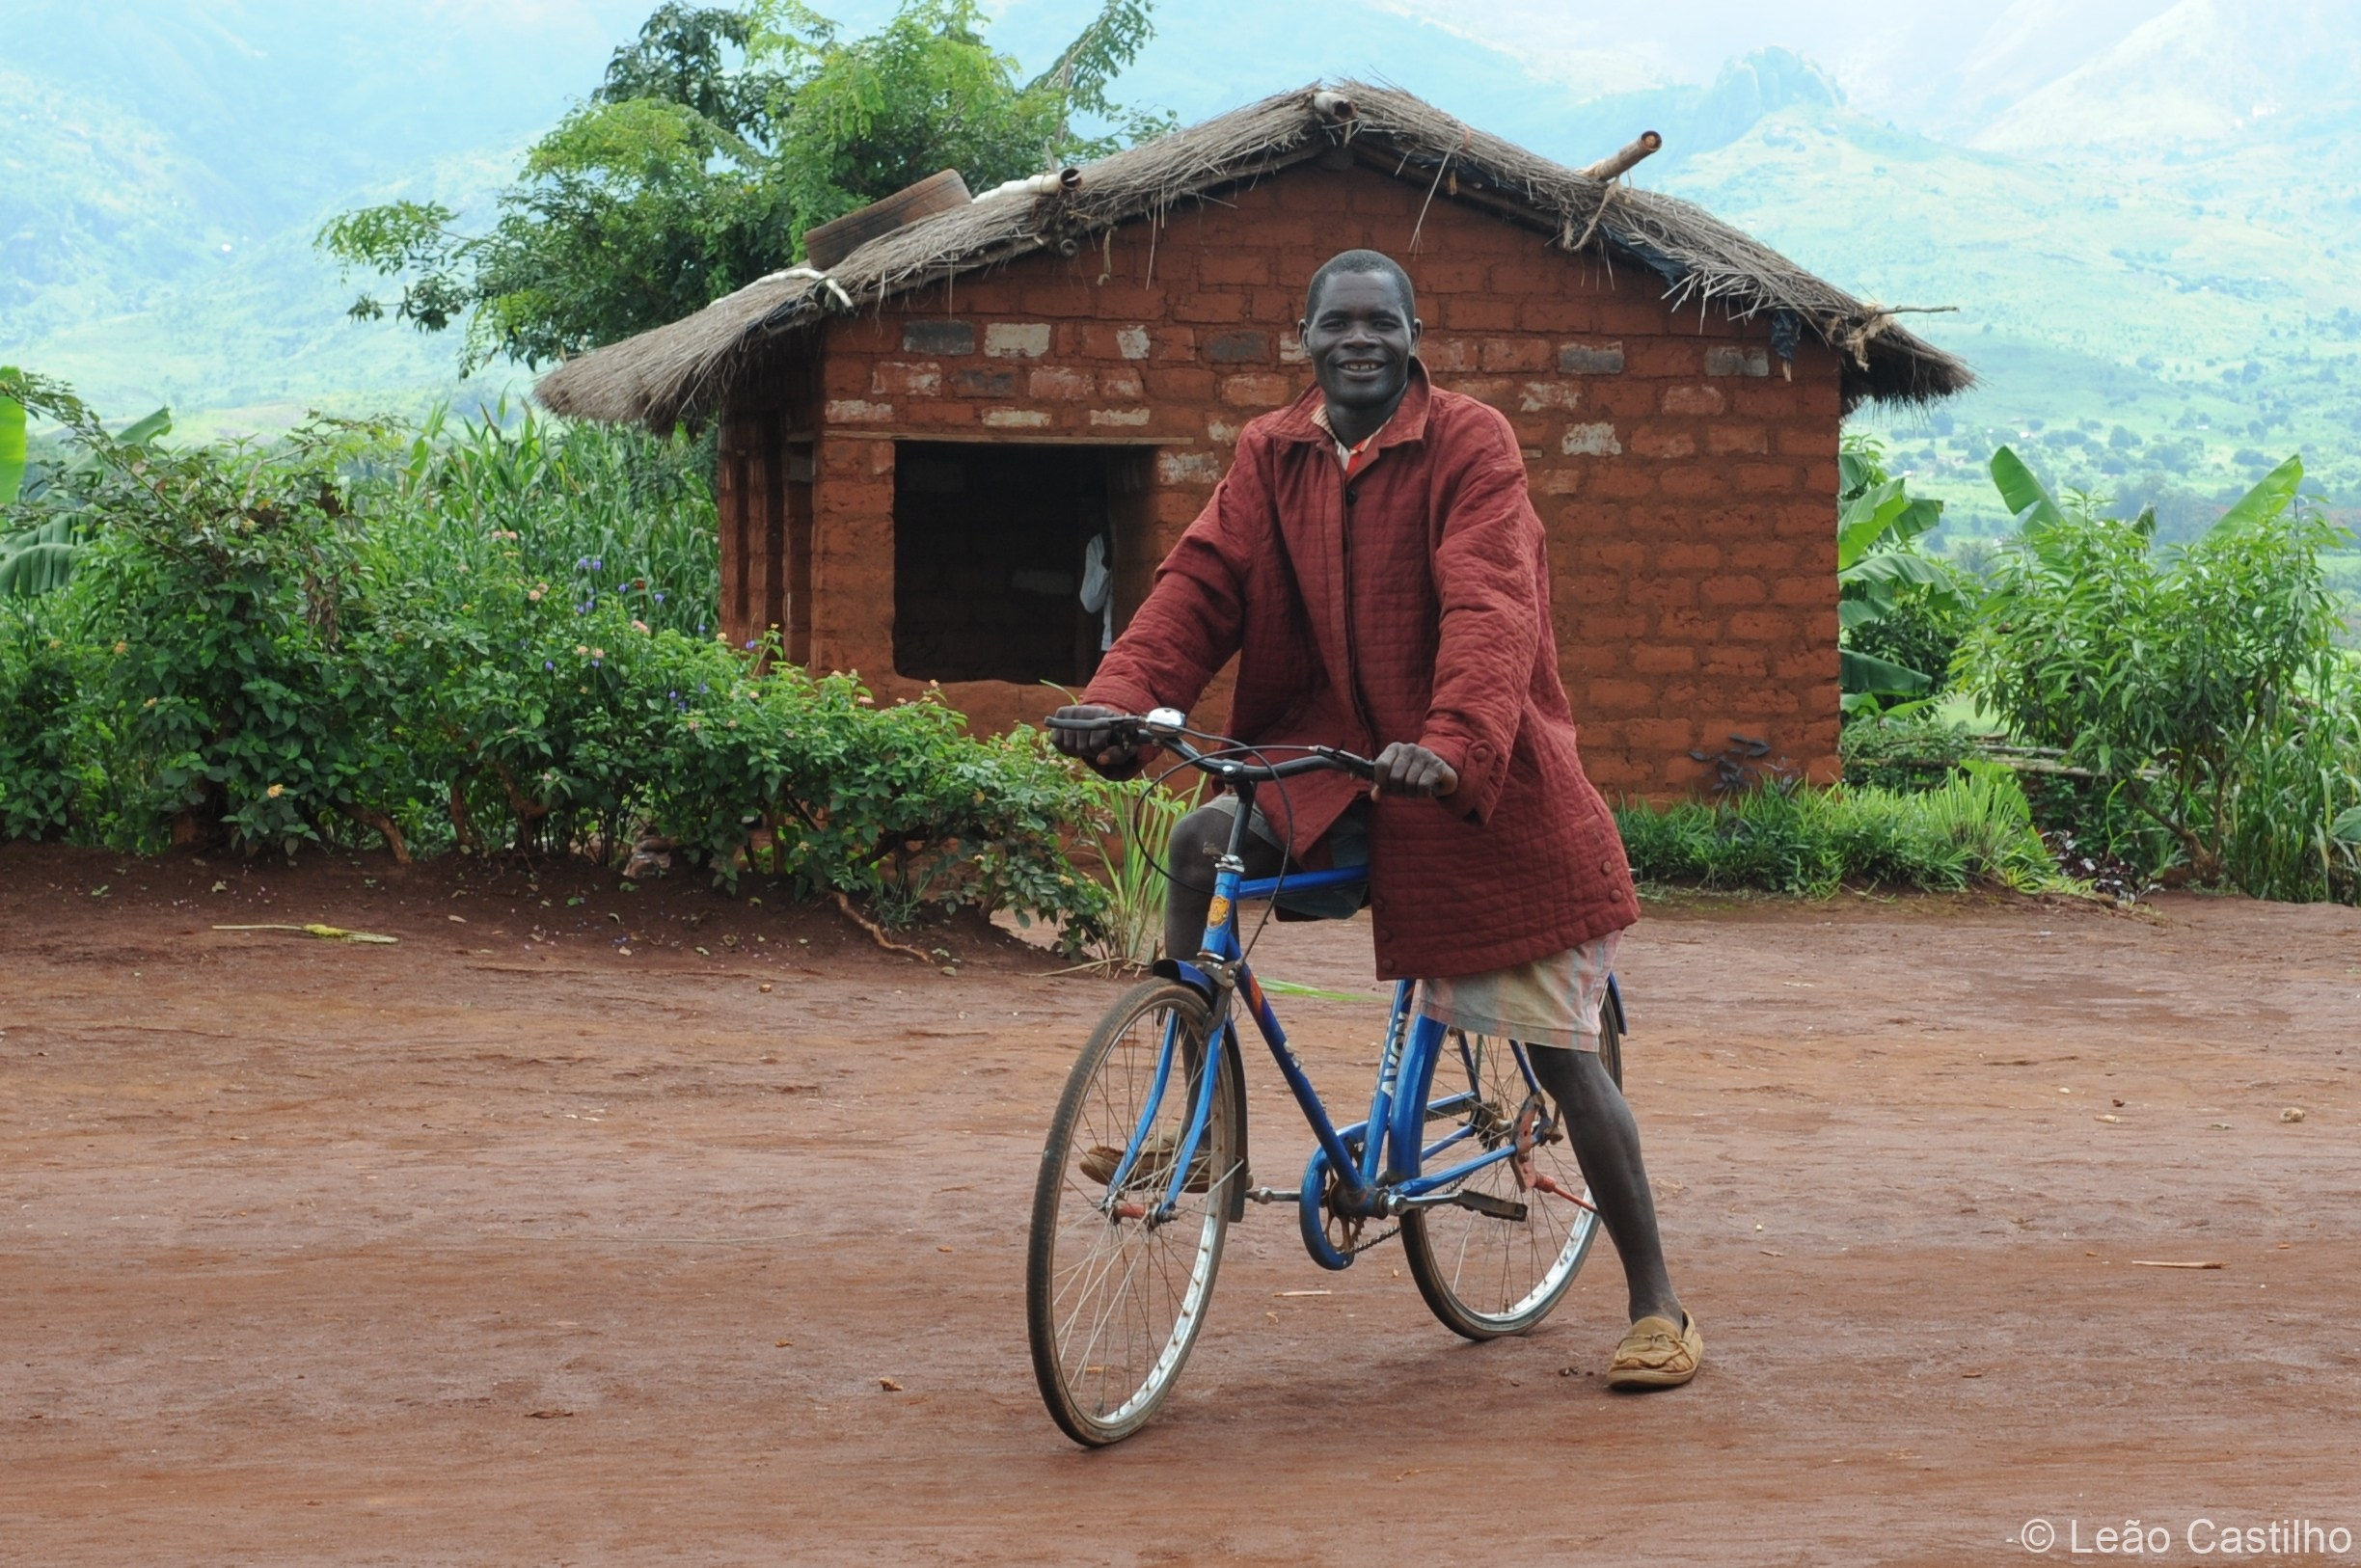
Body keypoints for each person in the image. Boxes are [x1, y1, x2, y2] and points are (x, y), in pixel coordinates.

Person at [1051, 249, 1700, 1390]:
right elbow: (1199, 587)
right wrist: (1120, 702)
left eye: (1382, 323)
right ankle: (1195, 1109)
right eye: (1338, 322)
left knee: (1555, 1051)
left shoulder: (1470, 443)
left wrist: (1451, 744)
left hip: (1479, 783)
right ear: (1305, 336)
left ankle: (1659, 1303)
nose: (1360, 339)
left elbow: (1489, 600)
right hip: (1336, 765)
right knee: (1205, 841)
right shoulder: (1273, 450)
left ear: (1413, 336)